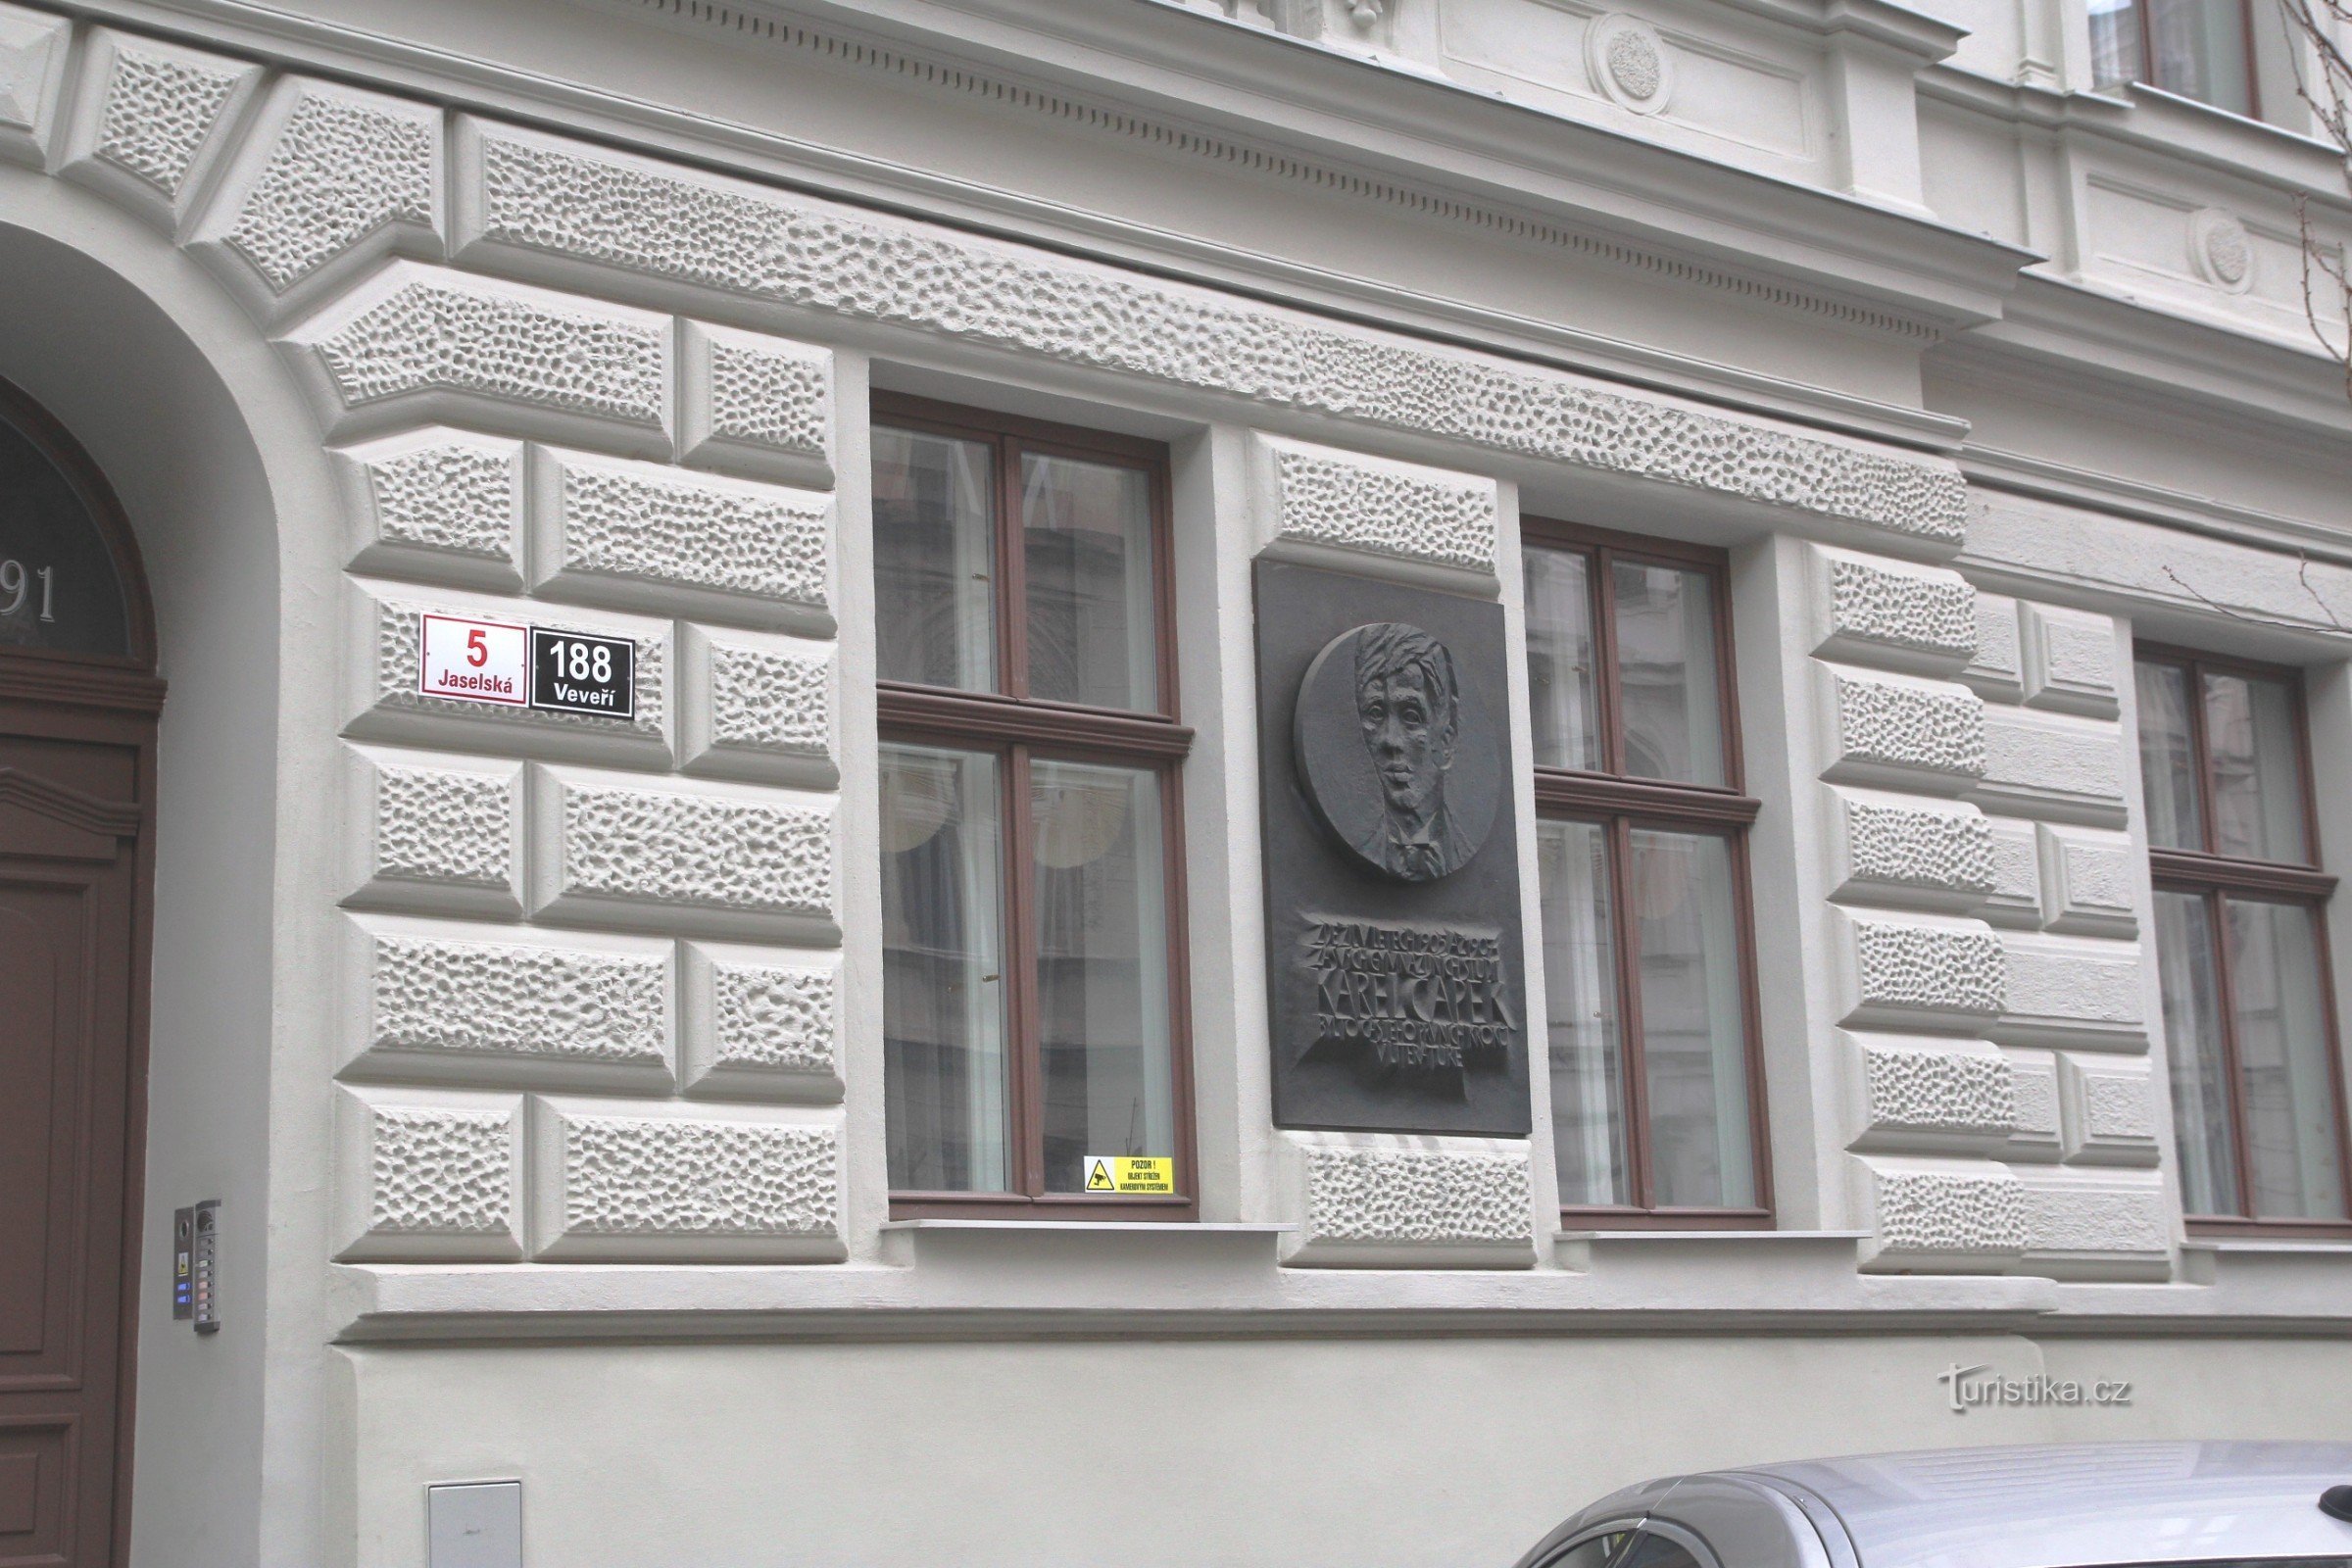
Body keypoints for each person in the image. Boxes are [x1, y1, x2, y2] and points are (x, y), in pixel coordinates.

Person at [1350, 622, 1479, 881]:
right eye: (1375, 713)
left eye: (1411, 717)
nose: (1391, 740)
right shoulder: (1360, 844)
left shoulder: (1462, 847)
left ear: (1447, 741)